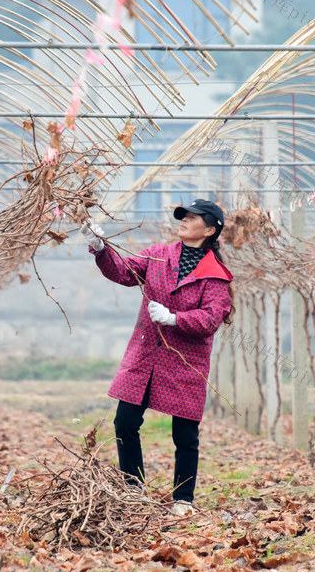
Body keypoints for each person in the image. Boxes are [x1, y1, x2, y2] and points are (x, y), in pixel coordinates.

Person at [80, 199, 234, 516]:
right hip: (145, 356)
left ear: (209, 229)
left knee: (185, 434)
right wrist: (100, 247)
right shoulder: (157, 255)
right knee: (124, 422)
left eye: (192, 218)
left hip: (186, 363)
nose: (184, 221)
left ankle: (183, 500)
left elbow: (210, 320)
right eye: (183, 216)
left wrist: (175, 318)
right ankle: (134, 489)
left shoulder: (215, 275)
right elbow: (122, 272)